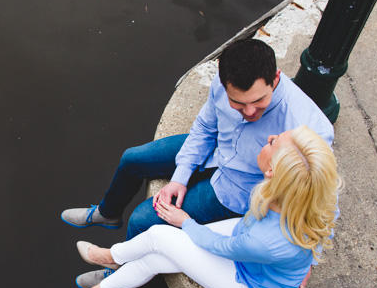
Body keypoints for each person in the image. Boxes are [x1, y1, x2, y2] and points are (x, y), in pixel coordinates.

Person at [61, 38, 334, 239]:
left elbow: (322, 198)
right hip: (216, 152)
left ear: (275, 78)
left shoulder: (309, 126)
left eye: (259, 101)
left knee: (142, 220)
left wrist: (306, 259)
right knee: (131, 159)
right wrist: (180, 176)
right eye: (238, 103)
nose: (250, 112)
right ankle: (108, 213)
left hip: (238, 191)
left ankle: (119, 271)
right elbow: (205, 128)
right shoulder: (223, 83)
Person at [53, 125, 341, 288]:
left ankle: (109, 257)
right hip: (247, 244)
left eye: (275, 142)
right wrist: (305, 265)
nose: (269, 137)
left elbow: (221, 247)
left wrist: (184, 220)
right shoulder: (306, 191)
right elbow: (325, 216)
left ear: (272, 173)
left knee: (159, 235)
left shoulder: (265, 240)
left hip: (250, 283)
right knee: (154, 259)